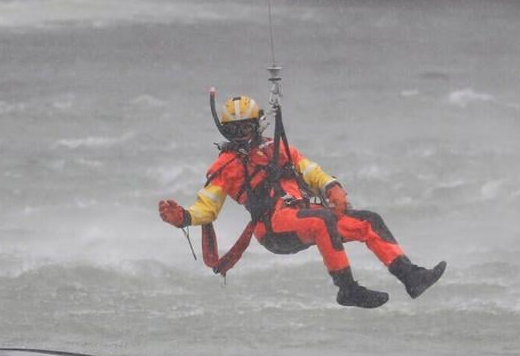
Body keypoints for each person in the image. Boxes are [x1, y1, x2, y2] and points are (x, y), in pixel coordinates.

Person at [157, 95, 444, 308]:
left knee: (369, 221)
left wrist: (333, 187)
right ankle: (347, 289)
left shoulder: (279, 149)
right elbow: (207, 207)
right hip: (273, 229)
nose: (242, 135)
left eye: (247, 127)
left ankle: (411, 276)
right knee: (323, 221)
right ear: (226, 131)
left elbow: (311, 171)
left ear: (257, 124)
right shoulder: (225, 166)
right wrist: (182, 217)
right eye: (235, 130)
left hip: (306, 215)